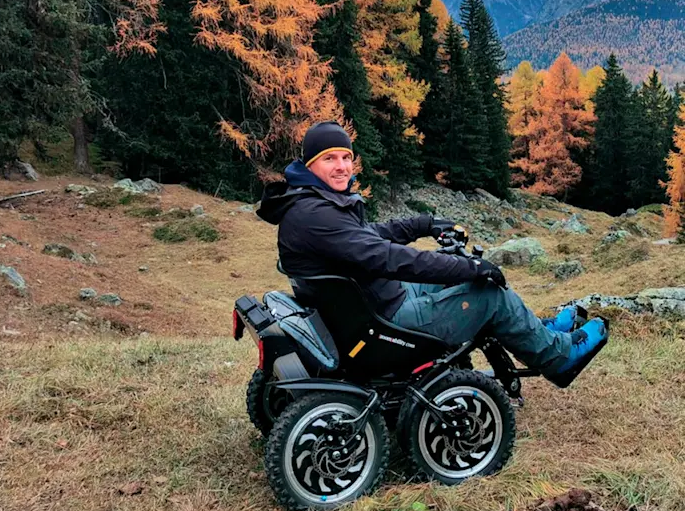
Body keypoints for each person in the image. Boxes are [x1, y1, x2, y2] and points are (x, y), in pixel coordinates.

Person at [257, 121, 608, 387]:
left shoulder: (309, 203)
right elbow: (388, 257)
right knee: (486, 294)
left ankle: (536, 331)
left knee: (462, 284)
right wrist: (467, 267)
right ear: (310, 164)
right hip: (382, 322)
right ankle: (559, 358)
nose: (342, 167)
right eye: (329, 158)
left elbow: (369, 237)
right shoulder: (315, 215)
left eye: (347, 157)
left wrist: (425, 224)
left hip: (369, 302)